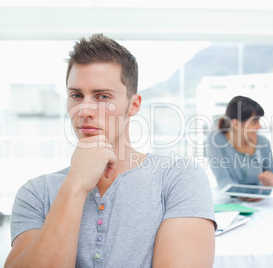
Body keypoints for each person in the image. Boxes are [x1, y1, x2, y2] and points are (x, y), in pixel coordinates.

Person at [5, 34, 216, 268]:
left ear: (133, 105)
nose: (85, 110)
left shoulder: (179, 178)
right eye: (76, 95)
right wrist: (75, 184)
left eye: (102, 96)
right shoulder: (36, 194)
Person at [205, 96, 273, 201]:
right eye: (254, 122)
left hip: (262, 203)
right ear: (236, 124)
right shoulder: (216, 139)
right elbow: (223, 179)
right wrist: (250, 193)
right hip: (231, 202)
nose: (260, 127)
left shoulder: (263, 142)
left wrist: (272, 182)